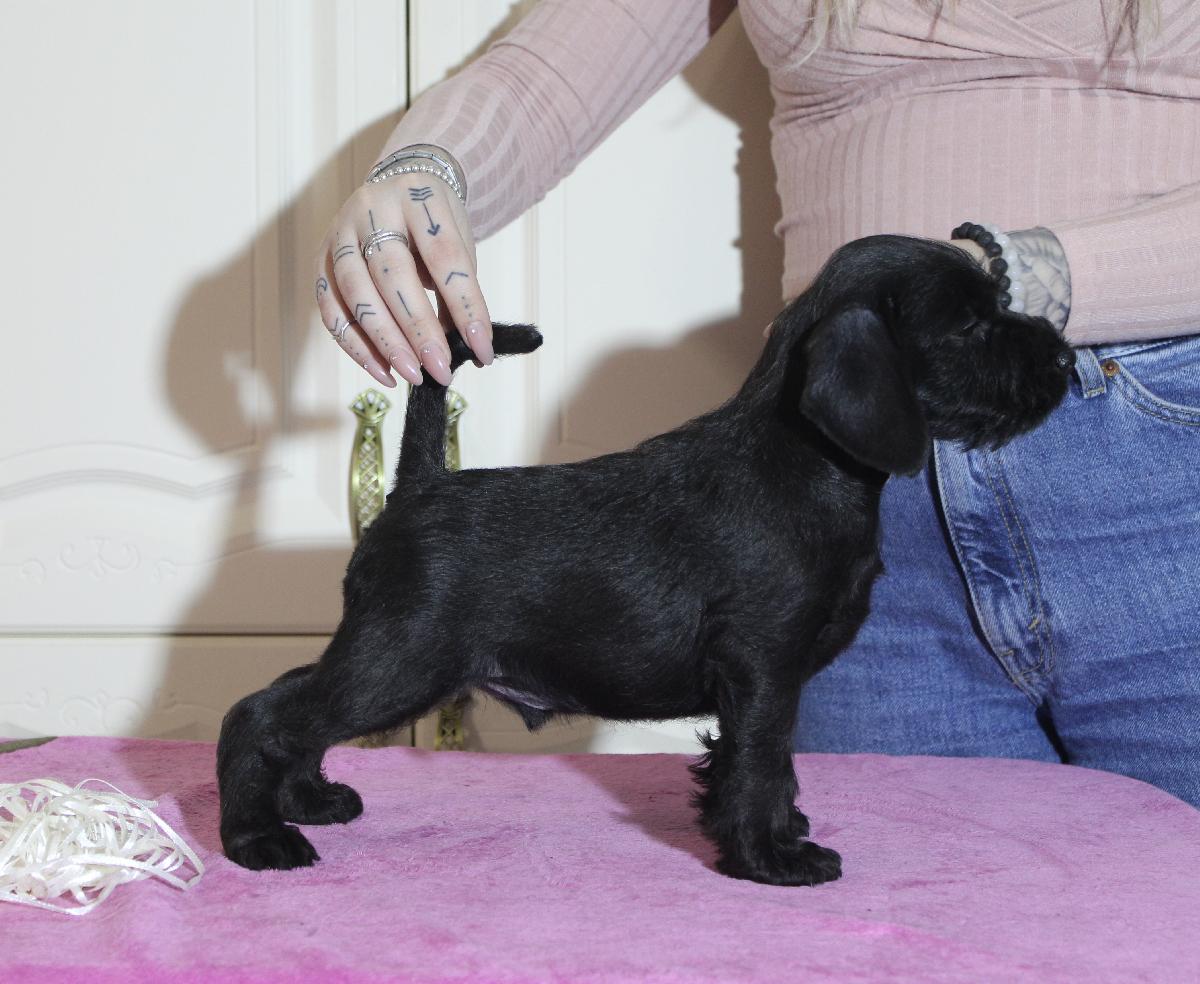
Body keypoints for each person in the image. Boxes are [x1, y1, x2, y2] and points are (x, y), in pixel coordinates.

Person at [313, 0, 1200, 807]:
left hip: (1160, 473)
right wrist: (425, 172)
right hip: (845, 483)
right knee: (891, 907)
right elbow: (544, 79)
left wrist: (1017, 277)